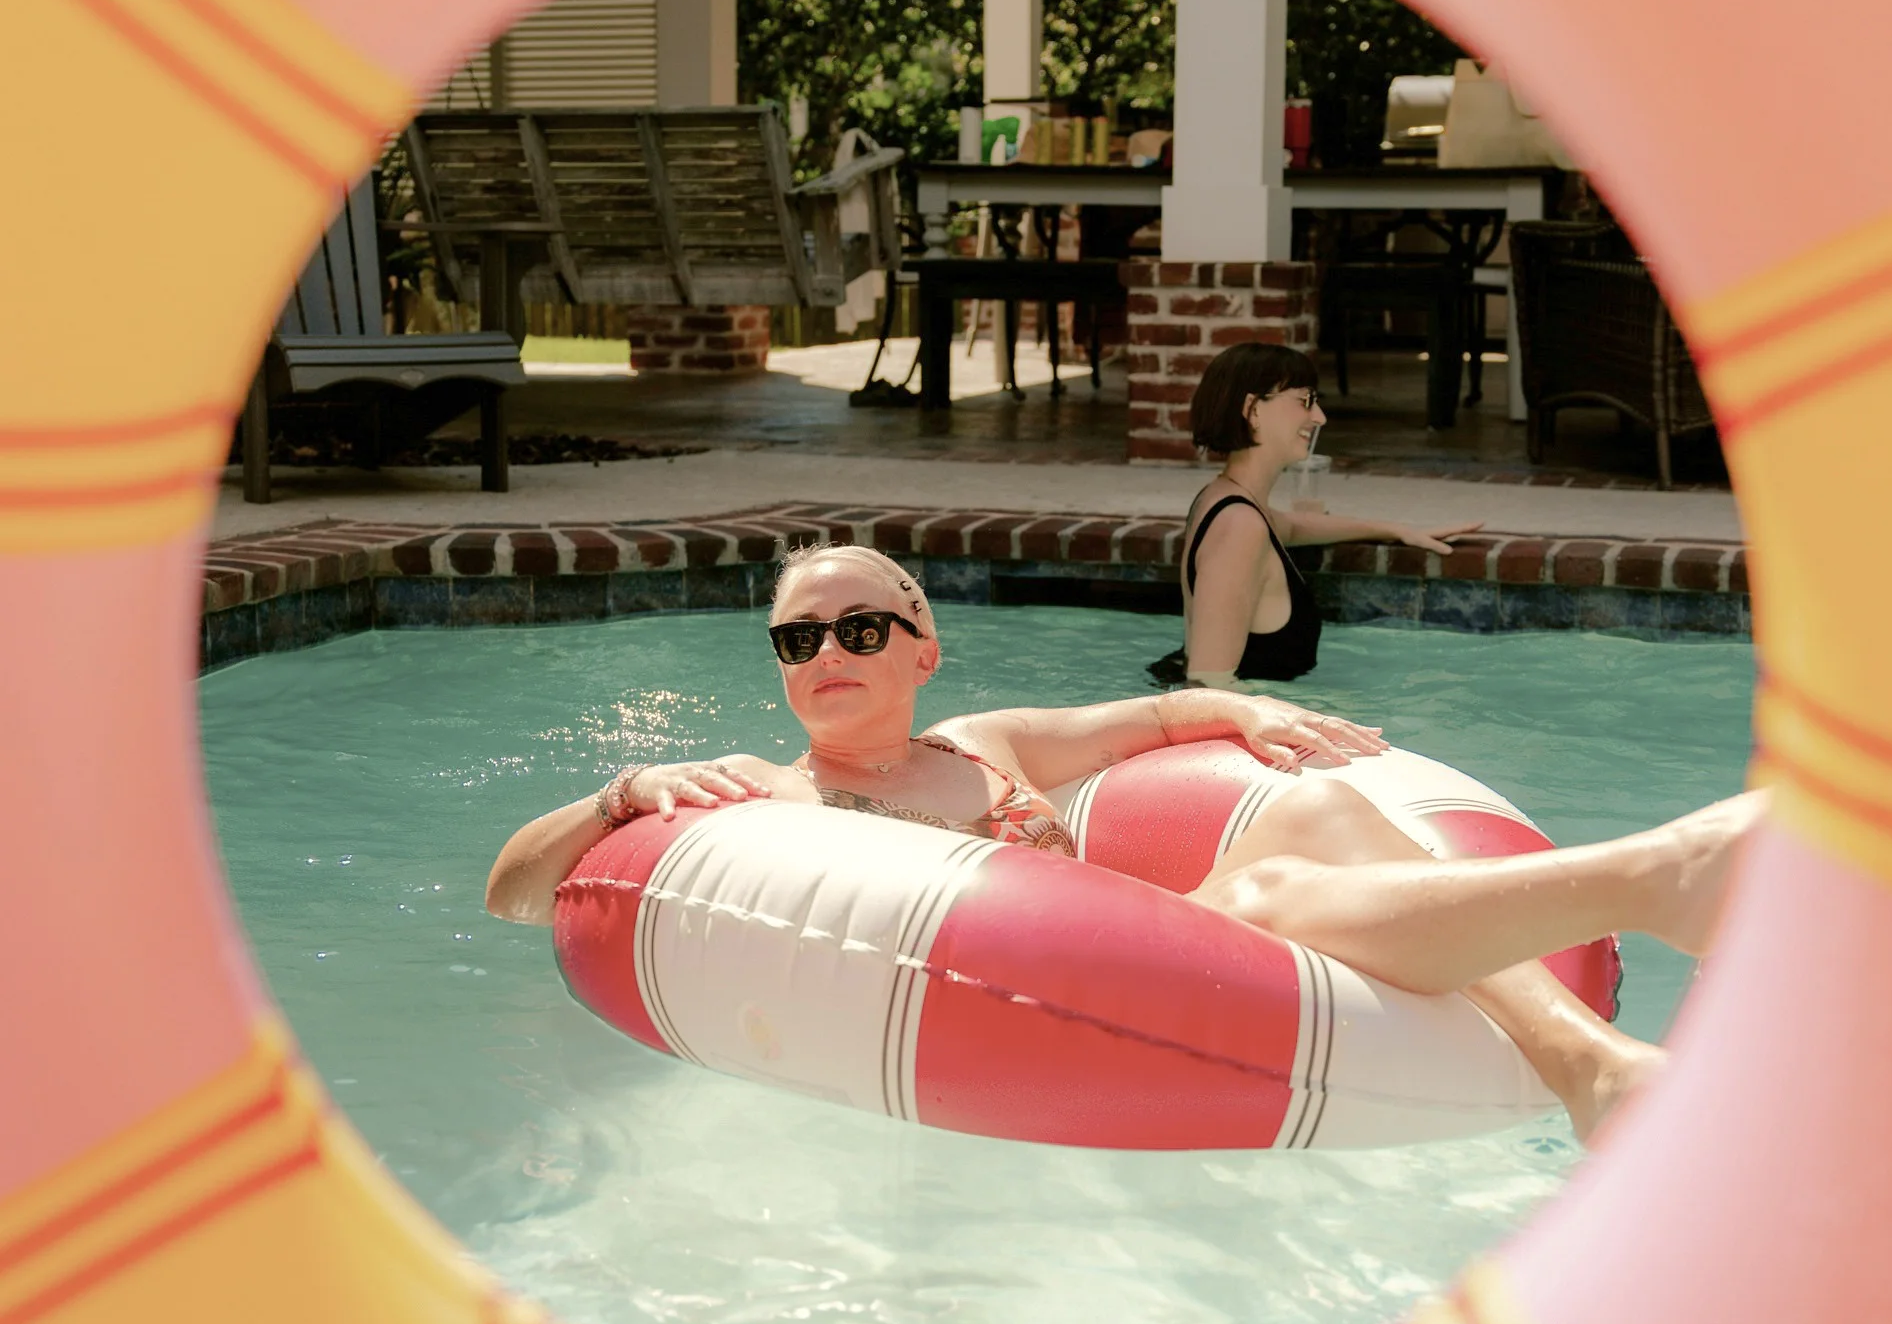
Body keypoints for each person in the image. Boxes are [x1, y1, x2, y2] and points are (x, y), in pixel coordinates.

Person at [488, 544, 1761, 1147]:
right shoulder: (757, 795)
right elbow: (515, 892)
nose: (826, 655)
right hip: (1082, 1006)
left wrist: (1254, 710)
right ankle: (1647, 883)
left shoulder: (993, 745)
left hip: (1178, 966)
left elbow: (1159, 715)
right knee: (1269, 885)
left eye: (861, 630)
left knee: (1307, 820)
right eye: (796, 639)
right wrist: (620, 794)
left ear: (924, 649)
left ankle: (1594, 1058)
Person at [1149, 340, 1482, 689]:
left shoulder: (1227, 500)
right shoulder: (1240, 526)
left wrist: (1396, 529)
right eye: (1305, 400)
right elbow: (1206, 688)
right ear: (1253, 409)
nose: (1319, 417)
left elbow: (1290, 526)